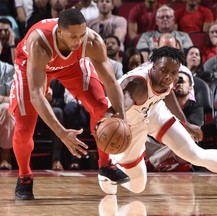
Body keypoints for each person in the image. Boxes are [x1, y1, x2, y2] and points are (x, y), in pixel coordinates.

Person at [97, 46, 217, 199]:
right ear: (154, 66)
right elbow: (121, 102)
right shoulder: (136, 84)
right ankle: (108, 172)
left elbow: (168, 94)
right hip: (128, 122)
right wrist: (108, 117)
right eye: (164, 70)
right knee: (138, 187)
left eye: (173, 73)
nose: (168, 76)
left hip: (154, 112)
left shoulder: (169, 75)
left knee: (196, 154)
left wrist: (185, 124)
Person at [9, 9, 128, 200]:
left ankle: (106, 165)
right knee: (23, 129)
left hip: (72, 66)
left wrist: (122, 115)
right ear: (59, 32)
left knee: (100, 106)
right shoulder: (40, 42)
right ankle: (24, 177)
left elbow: (111, 82)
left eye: (81, 35)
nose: (78, 41)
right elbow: (36, 95)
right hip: (31, 67)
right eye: (73, 36)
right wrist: (62, 133)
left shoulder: (91, 41)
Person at [0, 40, 15, 170]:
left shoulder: (8, 69)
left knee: (6, 109)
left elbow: (13, 98)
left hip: (2, 107)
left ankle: (6, 156)